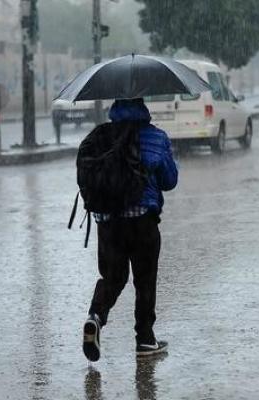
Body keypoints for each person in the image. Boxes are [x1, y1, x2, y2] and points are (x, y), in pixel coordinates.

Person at [83, 98, 178, 361]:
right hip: (142, 222)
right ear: (142, 106)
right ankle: (145, 340)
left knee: (113, 278)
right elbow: (170, 180)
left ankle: (96, 316)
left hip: (108, 223)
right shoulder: (155, 137)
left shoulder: (100, 137)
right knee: (144, 280)